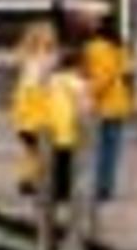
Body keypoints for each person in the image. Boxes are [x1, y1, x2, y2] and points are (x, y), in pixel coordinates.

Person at [66, 0, 137, 202]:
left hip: (103, 104)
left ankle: (101, 186)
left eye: (88, 19)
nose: (84, 22)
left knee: (100, 148)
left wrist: (85, 92)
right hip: (118, 102)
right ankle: (105, 184)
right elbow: (124, 70)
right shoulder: (117, 45)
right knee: (111, 148)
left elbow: (101, 77)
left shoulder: (96, 46)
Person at [9, 20, 87, 201]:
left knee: (32, 151)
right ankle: (43, 186)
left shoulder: (27, 60)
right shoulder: (37, 63)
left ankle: (28, 181)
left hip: (28, 117)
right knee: (47, 152)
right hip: (41, 118)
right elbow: (41, 84)